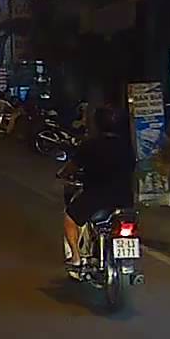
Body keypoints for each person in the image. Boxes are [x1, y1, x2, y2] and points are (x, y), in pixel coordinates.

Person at [61, 106, 134, 267]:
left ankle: (76, 257)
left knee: (70, 218)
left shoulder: (90, 145)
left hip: (96, 196)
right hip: (124, 197)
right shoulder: (127, 146)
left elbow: (71, 167)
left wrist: (62, 174)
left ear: (97, 124)